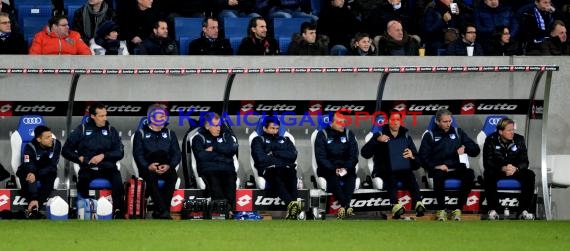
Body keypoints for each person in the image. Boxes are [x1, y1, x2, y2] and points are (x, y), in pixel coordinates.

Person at [62, 102, 125, 218]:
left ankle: (117, 211)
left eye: (105, 115)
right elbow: (65, 151)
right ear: (92, 116)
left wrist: (103, 156)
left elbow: (120, 152)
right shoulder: (81, 130)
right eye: (101, 116)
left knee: (117, 182)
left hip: (108, 167)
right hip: (88, 167)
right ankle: (85, 210)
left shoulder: (111, 130)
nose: (104, 118)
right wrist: (79, 158)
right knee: (83, 180)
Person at [419, 108, 480, 221]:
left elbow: (476, 151)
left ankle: (458, 208)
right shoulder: (430, 135)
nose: (448, 124)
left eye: (449, 121)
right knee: (439, 175)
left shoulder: (458, 132)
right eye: (445, 122)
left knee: (469, 174)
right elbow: (422, 158)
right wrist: (437, 166)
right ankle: (441, 209)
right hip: (439, 169)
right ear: (437, 122)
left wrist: (465, 148)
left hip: (456, 168)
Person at [361, 112, 425, 219]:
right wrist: (376, 141)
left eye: (397, 120)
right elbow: (365, 153)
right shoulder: (379, 134)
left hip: (401, 168)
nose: (395, 123)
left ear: (400, 121)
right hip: (383, 169)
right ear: (387, 121)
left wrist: (412, 156)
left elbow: (417, 164)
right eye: (393, 120)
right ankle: (395, 205)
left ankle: (418, 203)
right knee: (391, 175)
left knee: (410, 175)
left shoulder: (406, 136)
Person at [132, 104, 180, 220]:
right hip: (148, 166)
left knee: (172, 177)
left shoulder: (170, 133)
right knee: (151, 179)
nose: (163, 119)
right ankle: (164, 211)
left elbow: (176, 154)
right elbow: (138, 154)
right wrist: (147, 166)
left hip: (166, 165)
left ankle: (161, 211)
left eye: (164, 116)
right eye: (160, 116)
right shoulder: (141, 133)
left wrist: (169, 165)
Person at [483, 118, 536, 220]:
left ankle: (523, 211)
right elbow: (488, 162)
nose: (512, 132)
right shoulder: (490, 140)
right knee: (488, 174)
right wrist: (502, 168)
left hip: (514, 170)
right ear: (501, 132)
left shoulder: (519, 139)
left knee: (530, 175)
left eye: (513, 130)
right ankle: (493, 210)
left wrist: (516, 168)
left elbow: (525, 161)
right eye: (509, 130)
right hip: (498, 170)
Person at [251, 116, 300, 219]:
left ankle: (292, 210)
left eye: (277, 128)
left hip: (285, 167)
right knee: (276, 177)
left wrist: (273, 153)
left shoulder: (285, 140)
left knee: (292, 174)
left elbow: (293, 155)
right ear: (264, 128)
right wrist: (280, 158)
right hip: (268, 169)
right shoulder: (258, 140)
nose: (275, 131)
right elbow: (260, 158)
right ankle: (292, 205)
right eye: (272, 128)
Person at [314, 111, 359, 219]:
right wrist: (334, 169)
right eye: (339, 122)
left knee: (351, 176)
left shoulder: (349, 134)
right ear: (331, 123)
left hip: (346, 168)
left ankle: (344, 207)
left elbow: (354, 155)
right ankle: (346, 205)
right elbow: (321, 157)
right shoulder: (322, 134)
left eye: (344, 122)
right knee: (333, 177)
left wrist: (346, 168)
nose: (342, 124)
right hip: (328, 169)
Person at [192, 113, 239, 213]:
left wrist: (214, 148)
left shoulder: (226, 135)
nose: (219, 128)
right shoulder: (198, 138)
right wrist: (222, 155)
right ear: (207, 126)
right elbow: (200, 156)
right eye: (216, 125)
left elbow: (232, 149)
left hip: (227, 169)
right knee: (215, 185)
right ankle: (223, 211)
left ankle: (229, 211)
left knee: (230, 185)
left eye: (220, 125)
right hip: (209, 170)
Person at [16, 126, 61, 214]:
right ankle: (33, 202)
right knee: (24, 173)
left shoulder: (56, 144)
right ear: (39, 139)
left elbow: (52, 164)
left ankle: (35, 205)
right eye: (47, 137)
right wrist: (31, 173)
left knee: (51, 174)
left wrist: (35, 174)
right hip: (31, 169)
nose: (51, 139)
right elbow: (28, 163)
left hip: (47, 170)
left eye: (51, 136)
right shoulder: (30, 146)